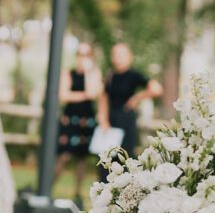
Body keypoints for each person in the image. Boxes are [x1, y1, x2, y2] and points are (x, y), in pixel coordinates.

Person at [97, 43, 163, 178]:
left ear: (129, 57)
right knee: (107, 160)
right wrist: (103, 120)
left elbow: (157, 89)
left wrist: (137, 97)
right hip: (111, 121)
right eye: (115, 54)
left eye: (121, 54)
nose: (118, 58)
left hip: (126, 121)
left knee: (125, 158)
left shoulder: (134, 75)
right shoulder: (110, 75)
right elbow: (103, 98)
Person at [53, 42, 102, 201]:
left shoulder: (94, 73)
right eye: (80, 54)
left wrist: (87, 72)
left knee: (82, 157)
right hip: (70, 118)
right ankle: (49, 186)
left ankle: (77, 193)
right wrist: (84, 95)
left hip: (86, 119)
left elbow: (92, 93)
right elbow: (63, 96)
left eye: (87, 54)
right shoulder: (68, 73)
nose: (83, 57)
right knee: (64, 155)